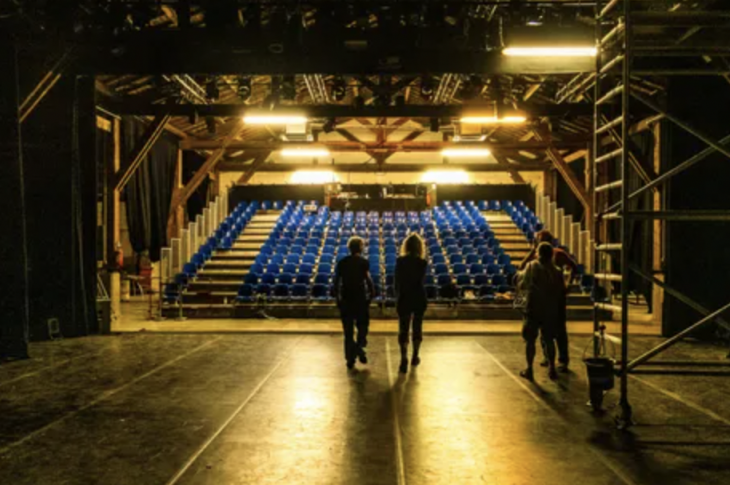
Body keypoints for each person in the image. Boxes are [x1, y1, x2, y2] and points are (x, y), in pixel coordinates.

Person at [519, 230, 576, 371]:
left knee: (559, 330)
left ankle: (562, 359)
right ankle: (549, 360)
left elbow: (574, 267)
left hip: (552, 299)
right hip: (548, 300)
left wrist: (568, 284)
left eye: (538, 239)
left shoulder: (557, 255)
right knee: (547, 334)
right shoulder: (537, 258)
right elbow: (522, 265)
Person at [516, 242, 566, 381]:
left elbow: (523, 285)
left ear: (538, 253)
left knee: (530, 341)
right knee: (549, 340)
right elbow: (562, 292)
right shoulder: (557, 271)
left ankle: (530, 369)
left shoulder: (531, 266)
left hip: (533, 309)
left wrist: (520, 306)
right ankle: (551, 368)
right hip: (550, 310)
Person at [333, 236, 376, 370]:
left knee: (348, 331)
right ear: (361, 248)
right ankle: (359, 348)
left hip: (346, 299)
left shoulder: (342, 262)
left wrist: (337, 299)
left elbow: (336, 282)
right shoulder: (364, 262)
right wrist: (371, 295)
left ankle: (350, 359)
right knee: (363, 327)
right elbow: (368, 280)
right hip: (360, 299)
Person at [395, 233, 429, 373]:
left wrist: (398, 296)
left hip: (404, 296)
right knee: (417, 327)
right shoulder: (422, 263)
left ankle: (403, 358)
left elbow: (396, 282)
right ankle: (415, 355)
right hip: (419, 296)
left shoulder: (400, 261)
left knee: (403, 328)